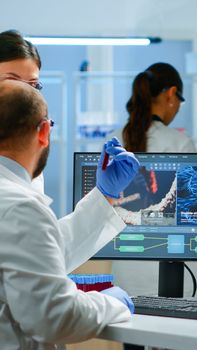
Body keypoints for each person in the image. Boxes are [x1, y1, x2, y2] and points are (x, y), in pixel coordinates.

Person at [0, 79, 140, 349]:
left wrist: (104, 195)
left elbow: (40, 252)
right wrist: (111, 302)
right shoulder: (20, 206)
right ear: (44, 132)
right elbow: (55, 318)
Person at [106, 62, 197, 350]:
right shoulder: (182, 144)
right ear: (171, 94)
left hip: (127, 277)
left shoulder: (114, 140)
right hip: (175, 279)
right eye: (179, 101)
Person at [0, 29, 44, 193]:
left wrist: (103, 195)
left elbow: (35, 217)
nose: (25, 94)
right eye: (12, 81)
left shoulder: (27, 146)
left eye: (32, 85)